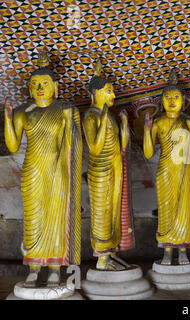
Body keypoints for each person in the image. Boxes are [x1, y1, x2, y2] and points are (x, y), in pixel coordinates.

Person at [3, 51, 82, 286]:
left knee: (56, 218)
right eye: (35, 84)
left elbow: (75, 144)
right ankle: (34, 268)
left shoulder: (65, 110)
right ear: (29, 88)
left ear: (55, 87)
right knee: (34, 218)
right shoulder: (22, 111)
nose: (39, 88)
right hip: (33, 170)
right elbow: (12, 145)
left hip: (58, 171)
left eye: (45, 83)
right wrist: (7, 120)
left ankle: (55, 267)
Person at [143, 71, 190, 265]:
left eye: (176, 97)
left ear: (183, 101)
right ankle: (167, 251)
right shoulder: (159, 122)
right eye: (167, 97)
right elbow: (149, 153)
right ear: (161, 101)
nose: (172, 101)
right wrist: (147, 130)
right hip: (166, 171)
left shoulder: (188, 121)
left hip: (184, 171)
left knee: (184, 210)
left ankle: (183, 250)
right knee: (166, 210)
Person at [82, 61, 134, 270]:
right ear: (96, 94)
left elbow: (122, 145)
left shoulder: (109, 116)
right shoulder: (91, 116)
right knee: (102, 212)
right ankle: (102, 257)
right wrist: (103, 119)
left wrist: (122, 125)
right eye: (109, 92)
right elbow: (94, 147)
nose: (113, 96)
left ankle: (110, 252)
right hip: (100, 172)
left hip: (114, 169)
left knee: (114, 212)